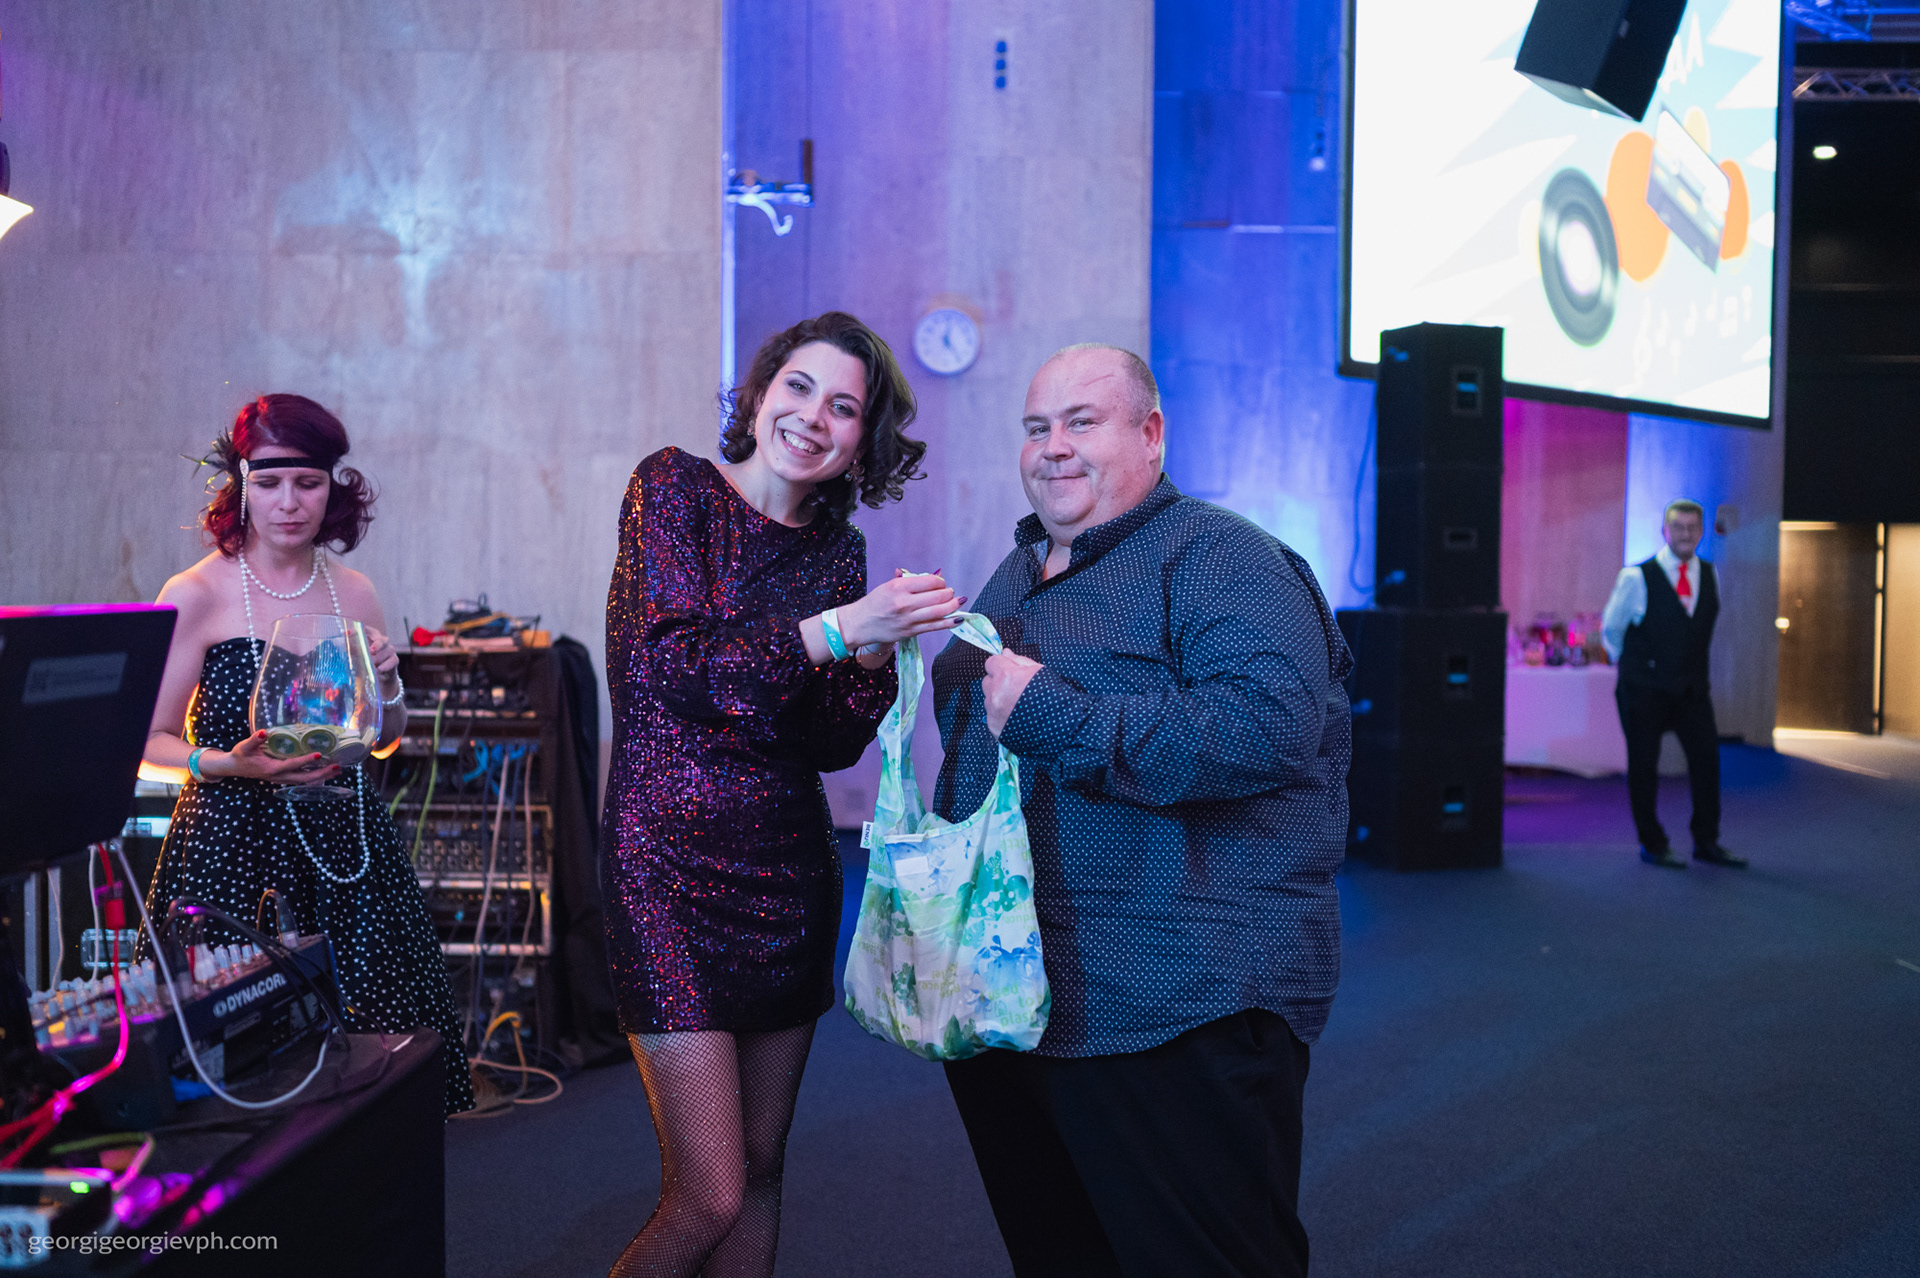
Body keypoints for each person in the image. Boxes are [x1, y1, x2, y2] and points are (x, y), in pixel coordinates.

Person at [930, 344, 1354, 1278]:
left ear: (1151, 434)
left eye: (1082, 422)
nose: (1053, 446)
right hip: (1015, 1001)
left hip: (1176, 1001)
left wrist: (1056, 716)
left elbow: (1269, 726)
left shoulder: (1224, 556)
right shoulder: (1017, 570)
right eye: (1037, 428)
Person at [600, 311, 961, 1278]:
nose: (812, 416)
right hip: (664, 871)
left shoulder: (838, 554)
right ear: (761, 393)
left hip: (788, 878)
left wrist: (874, 653)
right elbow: (670, 670)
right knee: (708, 1191)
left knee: (761, 1173)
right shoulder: (673, 487)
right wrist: (842, 629)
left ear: (861, 441)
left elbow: (827, 742)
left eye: (843, 407)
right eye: (799, 387)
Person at [141, 393, 474, 1116]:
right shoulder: (195, 593)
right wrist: (228, 762)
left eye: (308, 482)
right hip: (230, 850)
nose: (289, 503)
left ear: (333, 488)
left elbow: (384, 736)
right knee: (237, 1070)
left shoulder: (354, 591)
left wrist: (389, 683)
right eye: (269, 482)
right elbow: (147, 741)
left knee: (379, 1067)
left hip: (347, 847)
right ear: (241, 486)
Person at [1602, 499, 1746, 869]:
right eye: (1678, 527)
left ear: (1701, 532)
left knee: (1707, 764)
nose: (1685, 534)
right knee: (1644, 767)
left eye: (1692, 528)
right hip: (1643, 690)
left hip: (1692, 690)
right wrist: (1633, 667)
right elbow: (1611, 629)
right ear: (1665, 531)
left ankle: (1706, 842)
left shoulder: (1710, 573)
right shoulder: (1636, 577)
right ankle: (1652, 843)